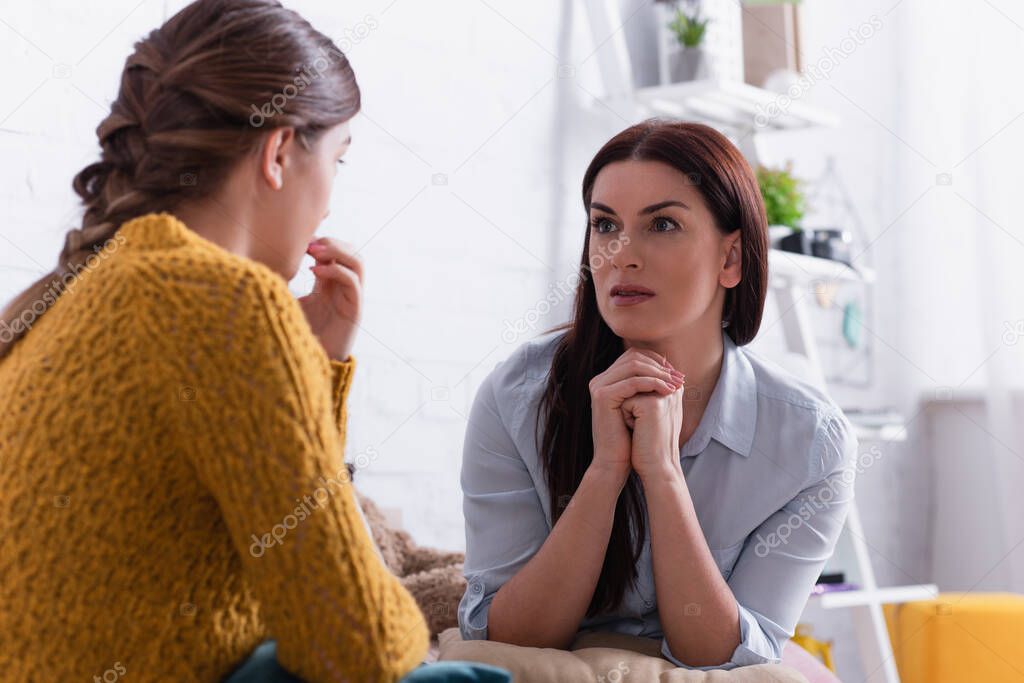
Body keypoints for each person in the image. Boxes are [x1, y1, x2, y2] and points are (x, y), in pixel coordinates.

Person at [0, 1, 508, 681]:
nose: (329, 199)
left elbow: (282, 543)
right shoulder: (229, 300)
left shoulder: (63, 296)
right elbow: (357, 643)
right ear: (277, 152)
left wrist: (315, 363)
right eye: (339, 157)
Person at [458, 119, 859, 670]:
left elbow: (720, 655)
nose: (622, 254)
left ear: (731, 258)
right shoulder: (516, 396)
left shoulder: (810, 443)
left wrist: (662, 474)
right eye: (605, 226)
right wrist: (604, 474)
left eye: (663, 224)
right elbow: (508, 639)